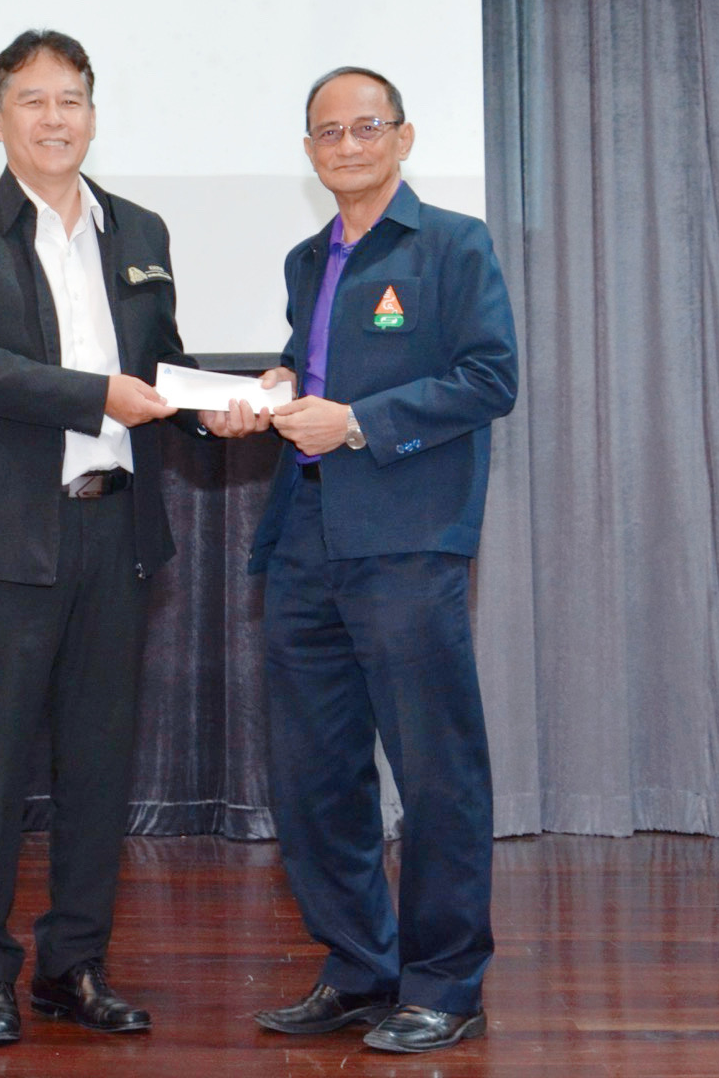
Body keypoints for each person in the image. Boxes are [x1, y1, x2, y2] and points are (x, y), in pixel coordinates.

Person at [0, 29, 222, 1046]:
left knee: (98, 768)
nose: (55, 118)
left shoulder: (140, 228)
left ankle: (73, 966)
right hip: (6, 542)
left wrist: (221, 406)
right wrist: (98, 396)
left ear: (93, 114)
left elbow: (160, 367)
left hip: (115, 533)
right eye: (34, 100)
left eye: (72, 99)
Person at [204, 64, 518, 1054]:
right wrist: (279, 386)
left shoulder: (453, 244)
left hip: (408, 540)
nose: (346, 145)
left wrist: (357, 423)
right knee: (315, 775)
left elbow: (491, 377)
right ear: (309, 152)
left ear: (404, 137)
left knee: (436, 772)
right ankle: (357, 968)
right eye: (328, 132)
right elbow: (321, 370)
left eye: (365, 127)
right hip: (304, 535)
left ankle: (445, 984)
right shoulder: (309, 258)